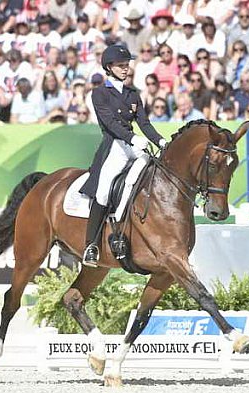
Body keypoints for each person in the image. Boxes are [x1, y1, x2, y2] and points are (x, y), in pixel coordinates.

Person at [79, 44, 167, 267]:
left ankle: (119, 229)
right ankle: (91, 245)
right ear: (109, 67)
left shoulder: (133, 94)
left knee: (136, 182)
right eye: (121, 66)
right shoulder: (99, 93)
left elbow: (144, 124)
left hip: (134, 146)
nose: (126, 69)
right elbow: (109, 123)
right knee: (103, 190)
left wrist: (161, 141)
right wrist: (132, 138)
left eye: (127, 65)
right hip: (115, 147)